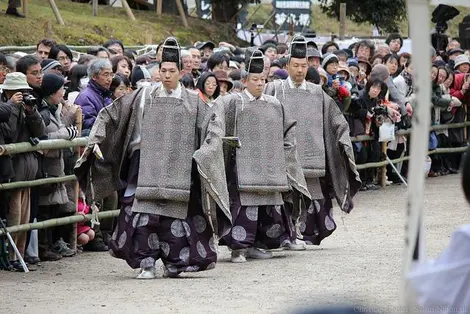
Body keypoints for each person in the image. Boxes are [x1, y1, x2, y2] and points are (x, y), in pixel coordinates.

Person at [74, 37, 231, 279]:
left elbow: (212, 127)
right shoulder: (144, 95)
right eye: (163, 70)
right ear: (158, 70)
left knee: (178, 216)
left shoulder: (193, 101)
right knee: (142, 215)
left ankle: (175, 263)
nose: (166, 75)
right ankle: (146, 262)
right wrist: (97, 137)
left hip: (181, 168)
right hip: (145, 165)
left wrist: (206, 151)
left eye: (172, 71)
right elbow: (112, 114)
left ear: (180, 72)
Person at [210, 49, 310, 262]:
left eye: (263, 79)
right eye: (255, 79)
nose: (259, 84)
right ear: (245, 81)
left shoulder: (274, 104)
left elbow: (287, 132)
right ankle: (238, 248)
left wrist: (285, 157)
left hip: (269, 167)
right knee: (243, 209)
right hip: (241, 168)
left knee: (269, 210)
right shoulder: (232, 102)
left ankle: (259, 244)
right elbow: (216, 124)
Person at [265, 36, 361, 246]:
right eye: (295, 66)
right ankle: (286, 237)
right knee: (284, 198)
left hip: (311, 154)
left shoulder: (318, 92)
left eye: (303, 66)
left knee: (312, 197)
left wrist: (342, 137)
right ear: (288, 65)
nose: (300, 70)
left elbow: (335, 118)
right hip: (283, 155)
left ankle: (304, 235)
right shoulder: (274, 89)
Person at [0, 72, 46, 270]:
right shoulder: (4, 108)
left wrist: (31, 111)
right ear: (8, 91)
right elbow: (9, 133)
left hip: (29, 170)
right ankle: (10, 257)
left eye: (25, 91)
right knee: (14, 214)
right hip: (13, 169)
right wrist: (13, 107)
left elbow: (40, 131)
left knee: (26, 216)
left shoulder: (25, 107)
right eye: (19, 92)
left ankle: (20, 255)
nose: (23, 94)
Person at [74, 58, 113, 134]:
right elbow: (89, 123)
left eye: (111, 74)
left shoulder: (106, 95)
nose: (110, 79)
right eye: (106, 74)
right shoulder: (85, 97)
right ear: (94, 77)